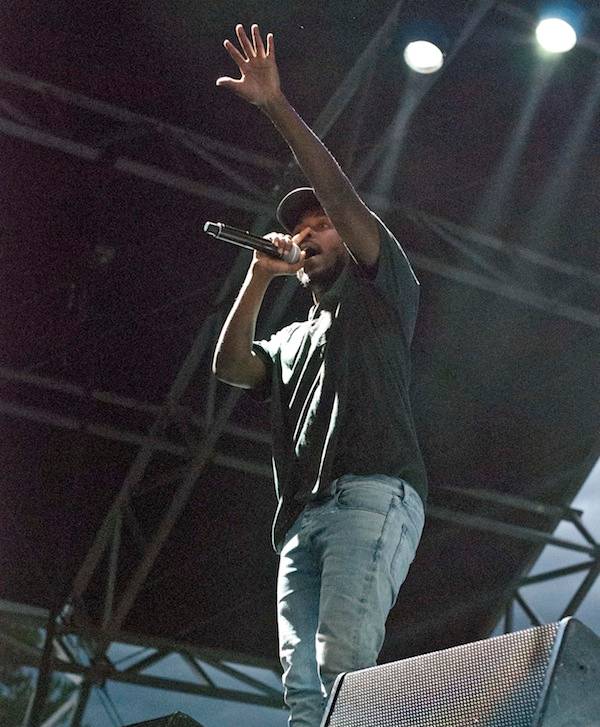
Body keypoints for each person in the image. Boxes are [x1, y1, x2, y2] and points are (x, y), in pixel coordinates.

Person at [212, 24, 427, 727]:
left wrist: (275, 105)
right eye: (299, 228)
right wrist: (257, 276)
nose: (308, 233)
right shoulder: (291, 337)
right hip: (302, 518)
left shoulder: (380, 288)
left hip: (372, 492)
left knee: (343, 669)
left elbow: (338, 193)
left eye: (321, 225)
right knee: (303, 691)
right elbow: (230, 366)